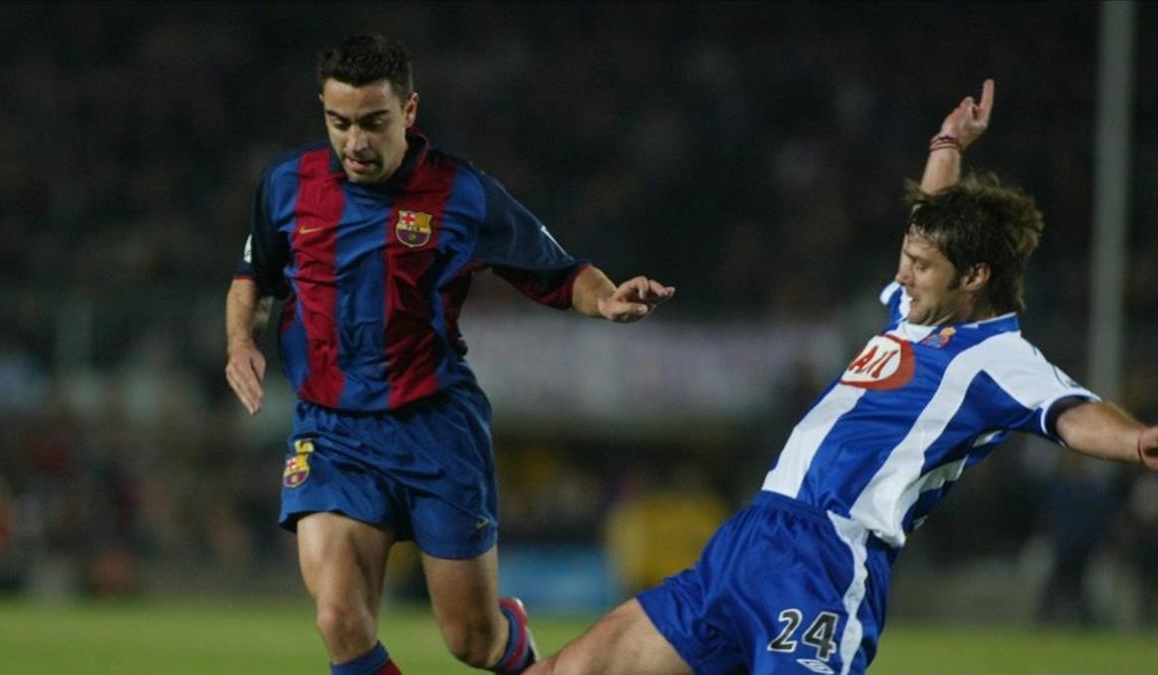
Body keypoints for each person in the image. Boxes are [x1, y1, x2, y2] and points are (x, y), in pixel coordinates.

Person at [528, 79, 1158, 675]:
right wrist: (947, 147)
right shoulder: (912, 313)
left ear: (974, 278)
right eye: (906, 258)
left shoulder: (1000, 358)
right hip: (750, 542)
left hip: (824, 565)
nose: (902, 274)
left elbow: (1071, 415)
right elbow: (930, 221)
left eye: (920, 265)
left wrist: (1137, 442)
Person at [223, 34, 674, 675]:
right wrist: (240, 341)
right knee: (338, 619)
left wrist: (604, 301)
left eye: (373, 123)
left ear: (408, 111)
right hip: (332, 431)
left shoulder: (462, 193)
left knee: (472, 642)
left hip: (434, 427)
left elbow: (557, 271)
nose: (355, 142)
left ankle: (510, 633)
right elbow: (253, 276)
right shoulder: (286, 186)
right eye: (339, 122)